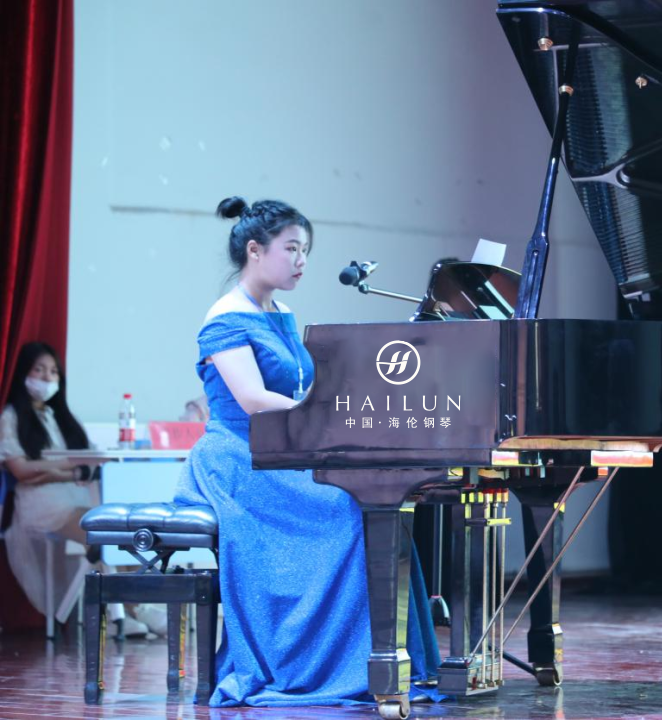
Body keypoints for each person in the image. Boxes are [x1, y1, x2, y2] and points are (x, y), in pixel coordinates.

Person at [173, 197, 441, 707]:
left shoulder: (280, 313)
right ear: (255, 250)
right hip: (240, 457)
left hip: (285, 451)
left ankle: (382, 659)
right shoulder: (224, 318)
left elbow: (302, 387)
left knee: (376, 501)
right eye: (292, 249)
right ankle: (322, 664)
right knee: (349, 508)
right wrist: (325, 413)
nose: (302, 261)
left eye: (306, 251)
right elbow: (253, 400)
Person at [0, 342, 142, 634]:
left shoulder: (62, 418)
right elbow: (22, 471)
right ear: (24, 373)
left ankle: (134, 609)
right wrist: (69, 469)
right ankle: (121, 615)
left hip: (77, 497)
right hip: (41, 504)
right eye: (39, 370)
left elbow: (90, 462)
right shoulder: (10, 417)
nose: (46, 378)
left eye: (53, 372)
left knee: (123, 533)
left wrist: (55, 470)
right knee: (101, 535)